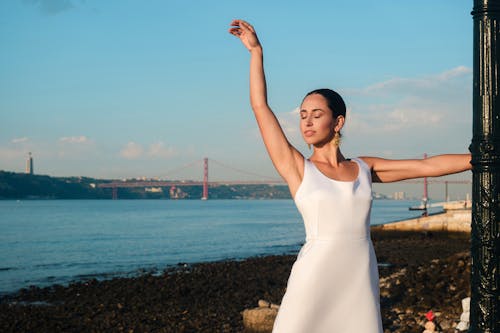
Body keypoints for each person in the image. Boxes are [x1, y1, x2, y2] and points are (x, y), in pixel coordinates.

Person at [229, 19, 472, 333]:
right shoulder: (298, 167)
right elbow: (260, 107)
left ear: (338, 121)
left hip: (359, 280)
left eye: (317, 115)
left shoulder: (363, 168)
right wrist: (256, 53)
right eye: (303, 115)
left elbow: (425, 167)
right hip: (314, 278)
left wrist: (479, 159)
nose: (307, 122)